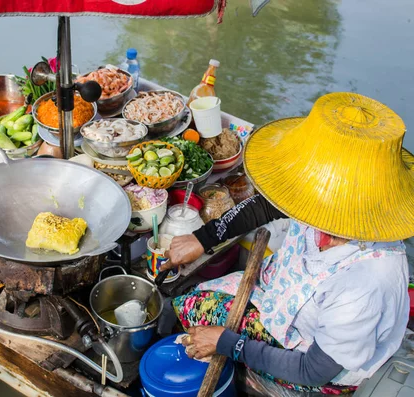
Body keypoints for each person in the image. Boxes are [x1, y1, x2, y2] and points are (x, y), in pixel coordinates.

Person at [161, 92, 414, 394]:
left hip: (314, 364)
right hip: (281, 295)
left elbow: (313, 370)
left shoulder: (366, 284)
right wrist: (202, 238)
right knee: (192, 300)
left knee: (191, 309)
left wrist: (227, 343)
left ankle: (253, 378)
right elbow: (266, 206)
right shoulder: (318, 195)